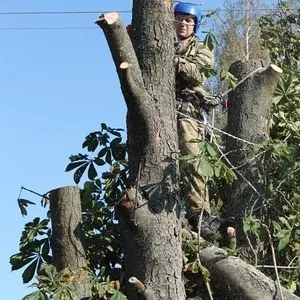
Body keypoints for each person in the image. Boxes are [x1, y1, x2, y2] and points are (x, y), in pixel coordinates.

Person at [174, 3, 219, 240]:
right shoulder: (161, 44)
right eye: (179, 18)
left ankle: (199, 214)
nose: (183, 23)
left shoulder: (201, 48)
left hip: (187, 112)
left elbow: (200, 72)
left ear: (195, 25)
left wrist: (177, 63)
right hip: (162, 113)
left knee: (193, 161)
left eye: (188, 20)